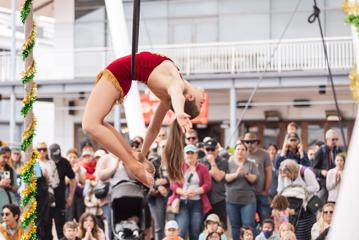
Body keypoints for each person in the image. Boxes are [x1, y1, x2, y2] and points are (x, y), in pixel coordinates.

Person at [82, 51, 205, 186]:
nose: (203, 99)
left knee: (90, 124)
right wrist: (142, 155)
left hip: (119, 71)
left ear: (190, 98)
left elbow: (177, 94)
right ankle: (133, 158)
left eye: (201, 103)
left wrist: (180, 112)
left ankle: (135, 167)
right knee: (96, 123)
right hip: (125, 76)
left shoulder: (176, 83)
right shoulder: (169, 95)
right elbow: (154, 128)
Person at [168, 144, 212, 240]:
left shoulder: (203, 168)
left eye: (192, 153)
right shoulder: (178, 167)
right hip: (182, 202)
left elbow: (208, 184)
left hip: (197, 202)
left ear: (196, 155)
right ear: (184, 155)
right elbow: (173, 184)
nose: (190, 155)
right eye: (188, 153)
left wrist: (196, 191)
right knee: (182, 230)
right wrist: (183, 192)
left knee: (195, 231)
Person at [277, 160, 320, 240]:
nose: (286, 177)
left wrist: (299, 190)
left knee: (306, 233)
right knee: (292, 232)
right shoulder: (282, 174)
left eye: (288, 174)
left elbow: (316, 187)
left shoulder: (305, 172)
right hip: (291, 207)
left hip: (306, 207)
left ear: (293, 171)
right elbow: (280, 190)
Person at [225, 143, 258, 240]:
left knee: (248, 226)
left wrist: (246, 173)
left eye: (243, 149)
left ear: (246, 152)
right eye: (238, 149)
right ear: (234, 151)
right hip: (232, 200)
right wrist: (236, 174)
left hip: (248, 201)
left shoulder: (251, 164)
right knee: (235, 227)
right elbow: (226, 178)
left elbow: (254, 179)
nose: (240, 151)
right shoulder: (229, 163)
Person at [241, 133, 272, 225]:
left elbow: (269, 173)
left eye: (252, 141)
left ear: (257, 142)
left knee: (265, 220)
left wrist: (266, 190)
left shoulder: (264, 154)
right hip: (246, 194)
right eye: (247, 142)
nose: (250, 144)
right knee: (248, 222)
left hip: (260, 192)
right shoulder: (242, 154)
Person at [48, 143, 77, 240]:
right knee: (46, 231)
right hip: (46, 202)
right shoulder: (43, 162)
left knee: (61, 231)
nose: (56, 160)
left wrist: (70, 196)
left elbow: (73, 179)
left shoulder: (64, 162)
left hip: (60, 200)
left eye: (57, 157)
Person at [200, 138, 228, 229]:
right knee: (203, 228)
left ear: (217, 149)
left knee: (221, 227)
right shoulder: (200, 162)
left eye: (212, 149)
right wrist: (210, 173)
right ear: (204, 149)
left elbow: (218, 177)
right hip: (203, 199)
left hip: (219, 199)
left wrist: (212, 162)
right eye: (208, 149)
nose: (210, 152)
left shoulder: (223, 161)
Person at [312, 129, 342, 202]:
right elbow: (314, 169)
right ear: (327, 139)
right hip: (324, 183)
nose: (335, 141)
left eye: (336, 139)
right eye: (333, 139)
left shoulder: (338, 150)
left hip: (336, 182)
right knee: (320, 204)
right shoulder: (321, 151)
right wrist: (321, 172)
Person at [0, 147, 18, 213]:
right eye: (4, 157)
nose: (6, 160)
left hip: (8, 205)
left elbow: (15, 189)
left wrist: (9, 186)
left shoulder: (11, 170)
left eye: (8, 158)